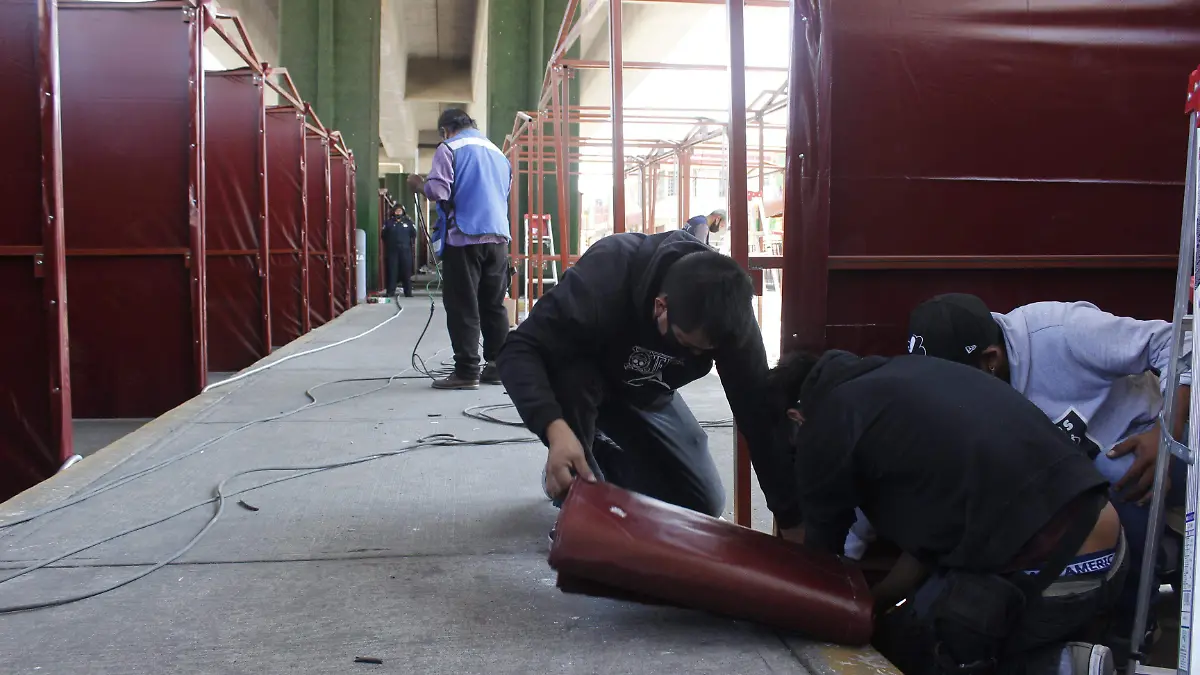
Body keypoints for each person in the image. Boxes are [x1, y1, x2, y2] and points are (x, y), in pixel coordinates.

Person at [767, 350, 1126, 675]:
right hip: (1111, 548)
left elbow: (818, 567)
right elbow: (926, 550)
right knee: (903, 626)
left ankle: (1063, 666)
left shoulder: (827, 423)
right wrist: (876, 605)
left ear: (796, 418)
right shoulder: (907, 377)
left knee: (929, 651)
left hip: (1060, 570)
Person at [905, 293, 1191, 657]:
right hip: (1074, 474)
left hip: (1147, 446)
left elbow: (1179, 341)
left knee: (1114, 472)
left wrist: (1165, 431)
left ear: (990, 360)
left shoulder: (1063, 332)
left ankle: (1137, 618)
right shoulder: (967, 386)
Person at [496, 230, 798, 526]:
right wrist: (555, 429)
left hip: (647, 393)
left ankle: (600, 457)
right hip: (583, 389)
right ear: (660, 306)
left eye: (703, 352)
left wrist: (789, 516)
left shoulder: (730, 319)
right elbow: (519, 349)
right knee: (575, 380)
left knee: (702, 504)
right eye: (687, 344)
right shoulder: (607, 275)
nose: (693, 356)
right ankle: (574, 475)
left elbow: (758, 416)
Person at [407, 108, 511, 390]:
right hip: (499, 239)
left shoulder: (449, 148)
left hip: (465, 237)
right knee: (493, 305)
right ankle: (498, 366)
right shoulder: (499, 154)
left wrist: (420, 185)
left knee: (463, 305)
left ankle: (466, 372)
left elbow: (439, 192)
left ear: (445, 130)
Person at [382, 203, 417, 298]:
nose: (398, 212)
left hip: (405, 250)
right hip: (392, 250)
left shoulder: (408, 222)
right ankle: (390, 292)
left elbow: (413, 234)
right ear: (393, 212)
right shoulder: (388, 223)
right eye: (396, 210)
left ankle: (408, 292)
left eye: (400, 211)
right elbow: (384, 235)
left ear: (403, 212)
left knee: (406, 271)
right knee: (392, 271)